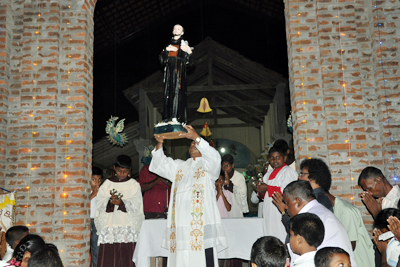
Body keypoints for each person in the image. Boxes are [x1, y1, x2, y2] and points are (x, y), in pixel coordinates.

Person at [149, 125, 227, 267]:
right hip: (180, 225)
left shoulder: (209, 167)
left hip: (200, 226)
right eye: (191, 143)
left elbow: (215, 158)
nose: (192, 145)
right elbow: (160, 164)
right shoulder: (180, 166)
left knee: (202, 258)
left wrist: (196, 137)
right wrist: (160, 142)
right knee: (181, 258)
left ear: (204, 148)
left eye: (195, 144)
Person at [302, 159, 376, 267]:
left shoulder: (346, 211)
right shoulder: (330, 210)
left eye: (302, 174)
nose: (299, 177)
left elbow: (350, 245)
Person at [282, 180, 357, 267]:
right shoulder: (320, 212)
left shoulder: (308, 220)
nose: (285, 207)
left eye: (287, 202)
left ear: (298, 201)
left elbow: (301, 258)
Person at [94, 155, 144, 267]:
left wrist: (121, 203)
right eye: (119, 171)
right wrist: (110, 203)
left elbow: (137, 206)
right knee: (109, 259)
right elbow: (100, 204)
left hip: (127, 227)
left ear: (130, 170)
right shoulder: (107, 184)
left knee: (126, 259)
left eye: (125, 171)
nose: (122, 174)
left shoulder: (134, 185)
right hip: (110, 226)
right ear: (114, 168)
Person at [254, 146, 297, 242]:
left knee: (280, 234)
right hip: (269, 210)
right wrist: (259, 189)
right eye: (272, 158)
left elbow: (288, 191)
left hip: (279, 211)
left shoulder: (288, 171)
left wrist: (267, 188)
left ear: (285, 158)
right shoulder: (268, 174)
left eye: (278, 157)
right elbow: (264, 195)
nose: (275, 160)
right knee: (269, 234)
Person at [159, 24, 194, 124]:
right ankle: (167, 117)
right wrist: (166, 51)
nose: (176, 30)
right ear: (173, 31)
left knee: (178, 93)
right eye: (175, 28)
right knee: (168, 94)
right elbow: (162, 60)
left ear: (182, 32)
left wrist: (189, 52)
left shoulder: (184, 45)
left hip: (179, 71)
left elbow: (191, 63)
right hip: (170, 72)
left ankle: (177, 117)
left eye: (179, 28)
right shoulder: (168, 46)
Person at [139, 149, 171, 219]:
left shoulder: (170, 169)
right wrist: (156, 181)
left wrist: (164, 180)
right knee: (149, 229)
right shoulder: (146, 169)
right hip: (149, 209)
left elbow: (177, 186)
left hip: (166, 209)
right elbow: (140, 188)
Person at [90, 167, 102, 267]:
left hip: (97, 223)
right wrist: (93, 194)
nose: (97, 183)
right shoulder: (84, 191)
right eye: (94, 179)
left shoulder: (102, 192)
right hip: (86, 222)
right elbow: (82, 204)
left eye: (99, 180)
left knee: (96, 251)